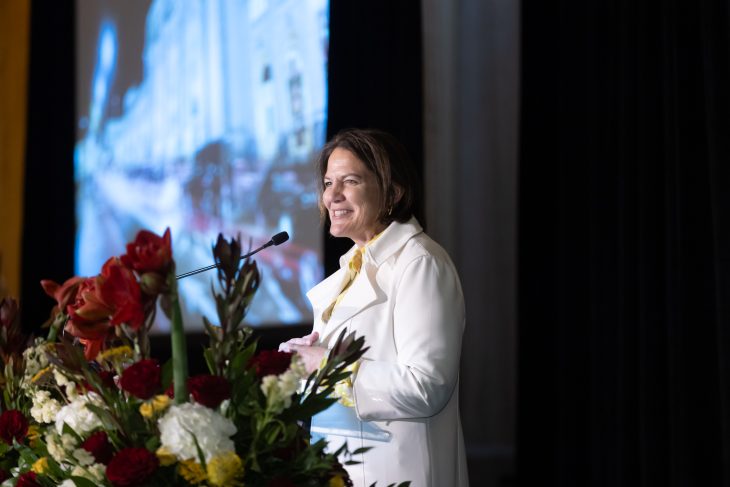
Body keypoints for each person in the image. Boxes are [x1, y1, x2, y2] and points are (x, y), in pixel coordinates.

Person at [279, 128, 468, 487]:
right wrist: (305, 360)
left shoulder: (420, 262)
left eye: (349, 181)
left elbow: (427, 385)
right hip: (344, 469)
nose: (332, 195)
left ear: (392, 193)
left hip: (400, 472)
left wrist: (326, 361)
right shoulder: (356, 264)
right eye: (328, 182)